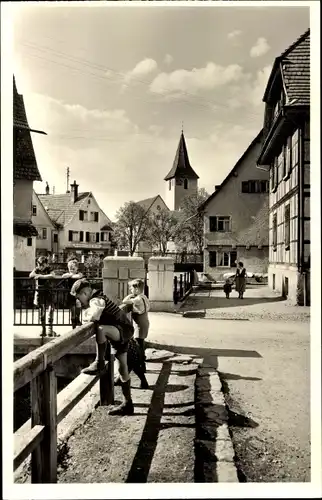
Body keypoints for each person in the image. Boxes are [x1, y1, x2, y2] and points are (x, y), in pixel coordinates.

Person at [70, 278, 135, 416]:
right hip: (123, 329)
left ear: (86, 292)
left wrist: (84, 313)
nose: (79, 301)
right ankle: (128, 403)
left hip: (121, 329)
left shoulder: (96, 300)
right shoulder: (98, 297)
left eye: (79, 297)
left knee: (100, 329)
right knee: (123, 367)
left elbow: (93, 316)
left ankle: (99, 362)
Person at [122, 279, 150, 373]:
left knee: (139, 345)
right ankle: (143, 364)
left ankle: (141, 364)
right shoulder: (144, 297)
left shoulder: (137, 299)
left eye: (131, 288)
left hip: (139, 325)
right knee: (141, 343)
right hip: (144, 322)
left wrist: (130, 296)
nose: (130, 290)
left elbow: (124, 301)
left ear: (137, 289)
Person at [30, 256, 56, 337]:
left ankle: (50, 328)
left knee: (51, 309)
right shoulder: (37, 269)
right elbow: (31, 275)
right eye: (39, 264)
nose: (40, 266)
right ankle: (43, 328)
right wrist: (38, 274)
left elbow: (53, 275)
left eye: (42, 265)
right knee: (42, 310)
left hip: (49, 291)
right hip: (40, 292)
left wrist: (41, 276)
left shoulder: (49, 269)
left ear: (46, 264)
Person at [62, 257, 84, 329]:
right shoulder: (67, 274)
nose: (71, 270)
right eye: (70, 268)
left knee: (78, 308)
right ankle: (73, 325)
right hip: (71, 295)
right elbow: (63, 276)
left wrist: (70, 275)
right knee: (73, 310)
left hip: (78, 295)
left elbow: (79, 276)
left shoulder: (78, 274)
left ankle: (77, 319)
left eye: (73, 268)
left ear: (77, 268)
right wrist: (71, 274)